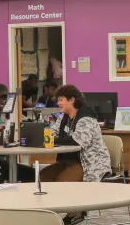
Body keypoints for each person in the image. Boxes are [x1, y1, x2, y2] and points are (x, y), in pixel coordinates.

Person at [39, 84, 112, 225]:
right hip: (67, 161)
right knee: (43, 176)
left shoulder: (87, 118)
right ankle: (49, 214)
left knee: (63, 182)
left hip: (89, 164)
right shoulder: (64, 117)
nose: (58, 103)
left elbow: (79, 141)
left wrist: (54, 139)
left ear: (72, 100)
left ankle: (75, 214)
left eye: (61, 100)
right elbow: (52, 133)